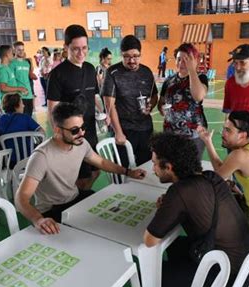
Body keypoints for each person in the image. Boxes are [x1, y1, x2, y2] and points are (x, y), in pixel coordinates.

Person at [144, 132, 249, 287]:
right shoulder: (210, 177)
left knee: (159, 275)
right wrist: (172, 206)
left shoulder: (180, 191)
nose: (153, 169)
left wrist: (169, 207)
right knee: (175, 246)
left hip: (229, 279)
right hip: (246, 264)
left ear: (169, 167)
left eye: (155, 164)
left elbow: (150, 240)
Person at [15, 98, 146, 233]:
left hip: (75, 198)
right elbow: (21, 198)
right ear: (57, 130)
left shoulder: (81, 143)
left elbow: (100, 162)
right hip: (52, 209)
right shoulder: (41, 157)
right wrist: (38, 219)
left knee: (114, 216)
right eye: (74, 130)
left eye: (83, 127)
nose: (81, 133)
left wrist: (128, 172)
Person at [47, 24, 103, 191]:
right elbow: (52, 108)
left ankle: (81, 195)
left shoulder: (90, 68)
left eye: (84, 48)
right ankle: (78, 199)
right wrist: (59, 135)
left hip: (90, 130)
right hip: (71, 133)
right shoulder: (57, 74)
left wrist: (102, 113)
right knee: (80, 176)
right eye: (75, 49)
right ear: (66, 47)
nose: (81, 53)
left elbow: (93, 96)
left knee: (96, 170)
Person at [102, 35, 158, 166]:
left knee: (146, 167)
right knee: (122, 168)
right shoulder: (112, 72)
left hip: (145, 130)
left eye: (136, 56)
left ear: (140, 55)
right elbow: (109, 105)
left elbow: (154, 95)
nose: (132, 60)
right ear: (121, 54)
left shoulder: (146, 72)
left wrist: (151, 105)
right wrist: (118, 132)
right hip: (124, 129)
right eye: (127, 56)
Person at [157, 43, 208, 159]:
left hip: (193, 135)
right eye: (179, 59)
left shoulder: (200, 78)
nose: (181, 63)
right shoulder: (169, 81)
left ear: (193, 61)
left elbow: (198, 96)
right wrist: (162, 109)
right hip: (170, 134)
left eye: (186, 60)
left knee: (191, 170)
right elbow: (161, 103)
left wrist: (192, 70)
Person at [0, 93, 44, 168]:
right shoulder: (25, 118)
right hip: (30, 159)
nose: (24, 105)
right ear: (16, 106)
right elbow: (42, 133)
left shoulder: (0, 119)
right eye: (22, 103)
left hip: (11, 161)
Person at [11, 41, 35, 117]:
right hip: (19, 95)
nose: (21, 52)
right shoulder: (12, 63)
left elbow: (29, 77)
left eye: (22, 49)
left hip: (29, 95)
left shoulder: (26, 63)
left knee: (29, 117)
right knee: (21, 119)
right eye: (19, 50)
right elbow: (11, 80)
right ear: (14, 50)